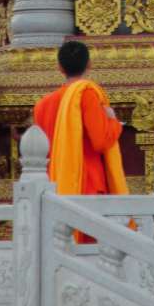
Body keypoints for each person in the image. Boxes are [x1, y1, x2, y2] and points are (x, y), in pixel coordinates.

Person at [32, 38, 128, 204]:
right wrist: (113, 122)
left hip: (54, 184)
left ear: (60, 68)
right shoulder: (86, 94)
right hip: (88, 182)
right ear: (89, 64)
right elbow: (100, 141)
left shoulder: (42, 105)